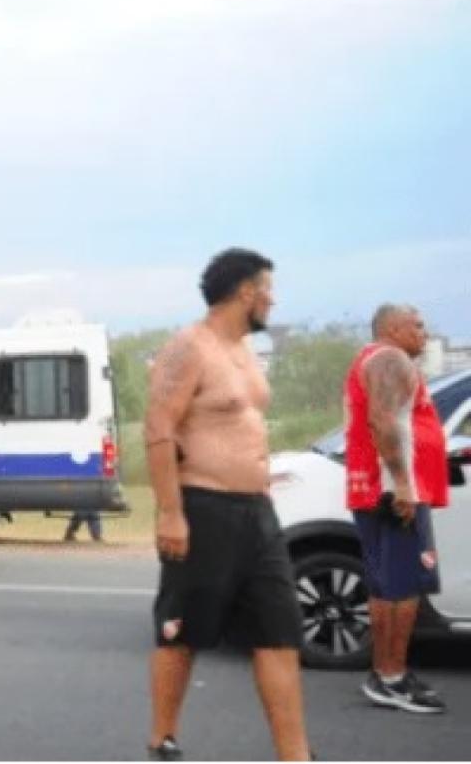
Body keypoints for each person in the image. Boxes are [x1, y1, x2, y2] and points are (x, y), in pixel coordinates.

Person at [143, 249, 311, 761]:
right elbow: (158, 429)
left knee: (279, 632)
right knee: (182, 633)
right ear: (246, 292)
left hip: (257, 512)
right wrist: (171, 512)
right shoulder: (189, 346)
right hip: (202, 507)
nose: (273, 299)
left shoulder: (243, 351)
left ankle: (296, 756)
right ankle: (162, 740)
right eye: (269, 289)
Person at [346, 304, 449, 714]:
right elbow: (384, 421)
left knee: (386, 586)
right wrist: (403, 484)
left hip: (379, 489)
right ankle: (391, 678)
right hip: (394, 491)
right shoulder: (390, 359)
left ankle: (385, 675)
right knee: (403, 588)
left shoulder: (372, 359)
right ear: (393, 329)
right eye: (418, 326)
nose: (424, 333)